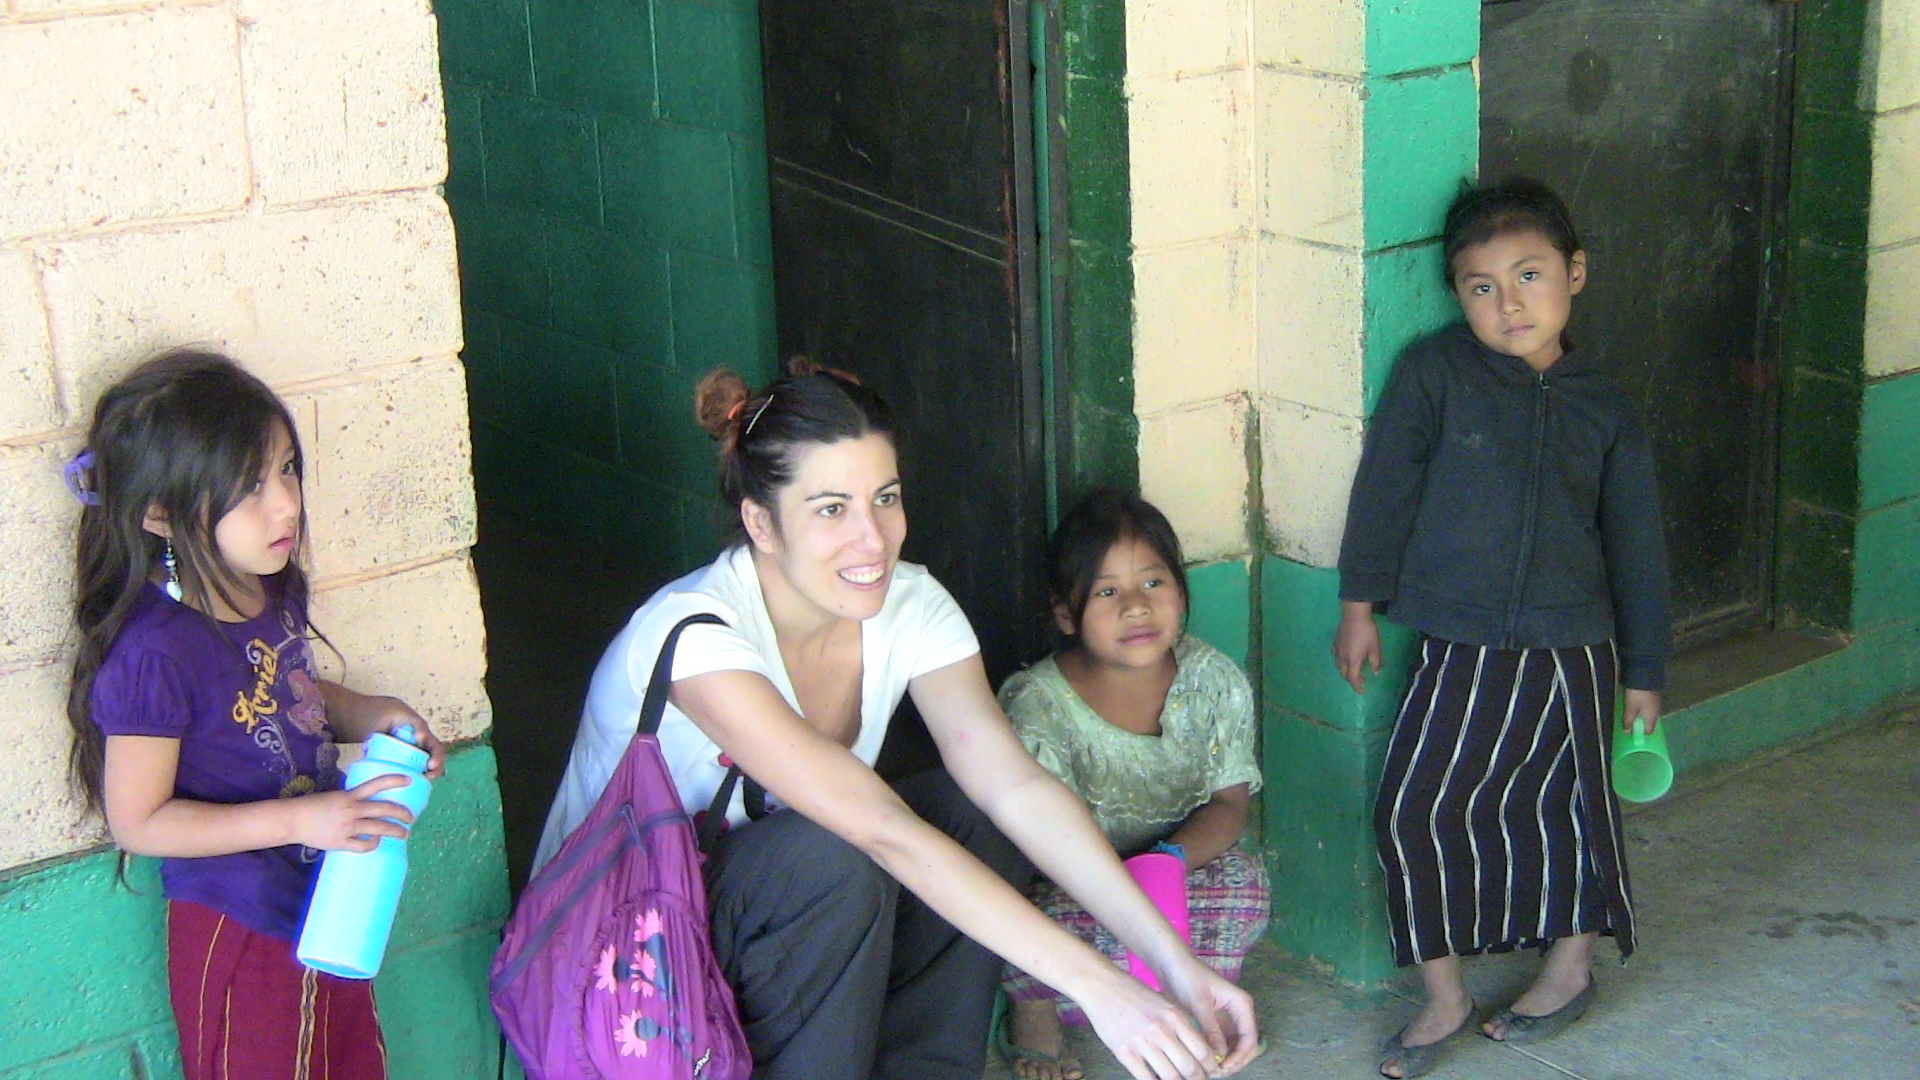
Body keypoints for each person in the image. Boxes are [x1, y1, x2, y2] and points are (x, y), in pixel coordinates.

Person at [535, 360, 1260, 1080]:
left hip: (770, 914)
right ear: (761, 522)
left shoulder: (911, 605)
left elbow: (1014, 787)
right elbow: (881, 830)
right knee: (833, 860)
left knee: (974, 818)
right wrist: (1103, 991)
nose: (873, 540)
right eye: (831, 510)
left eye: (885, 498)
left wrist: (1171, 962)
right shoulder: (695, 635)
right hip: (626, 948)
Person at [1333, 178, 1672, 1078]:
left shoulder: (1605, 406)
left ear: (1575, 273)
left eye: (1529, 275)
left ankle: (1569, 968)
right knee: (1412, 807)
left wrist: (1645, 670)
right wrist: (1359, 605)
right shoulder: (1435, 374)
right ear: (1458, 295)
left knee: (1571, 811)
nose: (1509, 303)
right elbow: (1384, 490)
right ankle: (1445, 995)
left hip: (1575, 650)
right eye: (1482, 286)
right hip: (1460, 642)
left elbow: (1637, 546)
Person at [64, 349, 447, 1080]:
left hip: (327, 897)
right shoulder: (154, 653)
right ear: (159, 513)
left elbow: (288, 688)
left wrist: (370, 713)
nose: (285, 504)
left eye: (286, 469)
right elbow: (138, 822)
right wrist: (302, 820)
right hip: (240, 923)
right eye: (248, 487)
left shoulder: (265, 585)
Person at [996, 490, 1269, 1080]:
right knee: (1017, 905)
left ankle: (1202, 1005)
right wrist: (1120, 881)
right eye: (1106, 592)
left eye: (1153, 583)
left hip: (1177, 862)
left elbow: (1229, 804)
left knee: (1242, 883)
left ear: (1181, 593)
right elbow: (1036, 837)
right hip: (1071, 876)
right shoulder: (1038, 705)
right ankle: (1035, 1015)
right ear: (1065, 614)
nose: (1136, 607)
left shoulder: (1212, 679)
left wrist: (1168, 860)